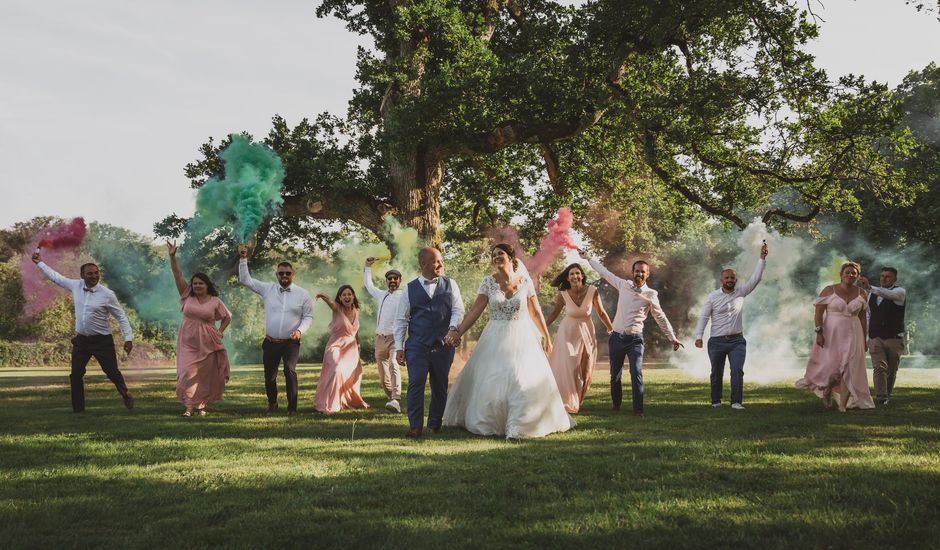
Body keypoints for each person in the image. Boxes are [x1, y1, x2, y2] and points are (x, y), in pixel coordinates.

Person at [443, 244, 575, 438]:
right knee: (492, 379)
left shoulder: (525, 281)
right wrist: (458, 332)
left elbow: (536, 312)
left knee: (520, 379)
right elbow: (474, 312)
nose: (496, 257)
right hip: (494, 336)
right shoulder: (488, 282)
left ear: (511, 257)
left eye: (500, 254)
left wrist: (546, 336)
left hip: (522, 337)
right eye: (494, 255)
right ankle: (491, 423)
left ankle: (519, 424)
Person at [579, 250, 683, 416]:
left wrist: (672, 337)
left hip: (635, 340)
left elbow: (660, 317)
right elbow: (604, 273)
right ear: (632, 272)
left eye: (643, 271)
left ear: (647, 274)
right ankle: (616, 405)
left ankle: (638, 410)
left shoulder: (651, 295)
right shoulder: (623, 285)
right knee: (615, 375)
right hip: (617, 338)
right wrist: (589, 258)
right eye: (637, 271)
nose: (639, 273)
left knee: (636, 372)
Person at [31, 251, 134, 412]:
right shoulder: (75, 285)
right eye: (90, 273)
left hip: (102, 341)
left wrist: (128, 338)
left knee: (112, 372)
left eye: (96, 273)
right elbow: (56, 277)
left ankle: (125, 393)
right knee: (76, 374)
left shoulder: (107, 295)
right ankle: (78, 410)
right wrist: (39, 263)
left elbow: (121, 317)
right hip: (81, 341)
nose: (94, 276)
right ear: (82, 275)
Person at [393, 247, 465, 438]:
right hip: (417, 344)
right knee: (415, 383)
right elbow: (401, 319)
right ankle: (415, 426)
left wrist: (452, 329)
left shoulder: (451, 284)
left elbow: (458, 310)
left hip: (443, 344)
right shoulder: (409, 288)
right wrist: (399, 347)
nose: (441, 264)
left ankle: (434, 423)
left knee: (439, 385)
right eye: (436, 261)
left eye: (441, 260)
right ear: (423, 264)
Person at [238, 244, 313, 416]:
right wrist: (243, 258)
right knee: (269, 376)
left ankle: (292, 409)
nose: (284, 275)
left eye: (288, 273)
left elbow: (308, 317)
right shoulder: (268, 289)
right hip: (271, 341)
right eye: (281, 273)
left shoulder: (303, 294)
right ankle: (273, 403)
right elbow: (245, 280)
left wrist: (300, 330)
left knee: (289, 369)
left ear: (293, 274)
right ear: (277, 274)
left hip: (291, 342)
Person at [694, 242, 768, 410]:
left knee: (737, 370)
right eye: (726, 278)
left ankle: (736, 402)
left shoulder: (741, 292)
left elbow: (756, 278)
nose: (729, 280)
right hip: (717, 342)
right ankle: (716, 401)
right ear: (721, 280)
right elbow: (704, 316)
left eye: (732, 278)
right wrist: (699, 336)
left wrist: (762, 259)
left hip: (737, 341)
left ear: (735, 280)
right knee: (716, 372)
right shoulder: (712, 297)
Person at [796, 262, 875, 411]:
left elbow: (863, 318)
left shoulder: (861, 293)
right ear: (841, 274)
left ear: (857, 276)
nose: (850, 275)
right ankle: (827, 390)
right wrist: (819, 332)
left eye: (854, 273)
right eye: (847, 272)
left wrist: (864, 339)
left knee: (849, 368)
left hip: (854, 332)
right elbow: (818, 312)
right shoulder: (829, 290)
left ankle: (843, 406)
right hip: (832, 333)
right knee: (831, 368)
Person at [167, 242, 232, 417]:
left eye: (200, 283)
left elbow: (228, 317)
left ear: (207, 285)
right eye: (194, 283)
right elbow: (177, 275)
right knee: (186, 373)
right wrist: (173, 257)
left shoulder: (215, 301)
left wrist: (220, 331)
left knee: (203, 375)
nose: (196, 286)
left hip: (208, 342)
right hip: (188, 341)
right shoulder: (187, 295)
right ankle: (189, 406)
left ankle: (200, 406)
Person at [545, 263, 613, 414]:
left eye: (577, 273)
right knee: (571, 367)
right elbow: (554, 314)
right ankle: (570, 401)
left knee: (586, 369)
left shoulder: (592, 291)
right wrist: (541, 329)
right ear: (568, 279)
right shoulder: (563, 294)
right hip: (567, 333)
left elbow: (601, 313)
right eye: (571, 274)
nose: (575, 276)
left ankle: (579, 400)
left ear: (582, 276)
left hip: (587, 331)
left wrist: (611, 329)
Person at [313, 285, 370, 414]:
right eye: (344, 295)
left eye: (349, 294)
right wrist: (323, 296)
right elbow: (331, 303)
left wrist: (358, 345)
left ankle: (346, 400)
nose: (347, 297)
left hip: (351, 349)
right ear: (340, 297)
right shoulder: (337, 309)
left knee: (351, 375)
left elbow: (356, 331)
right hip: (335, 346)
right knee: (336, 369)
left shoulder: (356, 310)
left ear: (353, 296)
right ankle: (329, 403)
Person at [858, 267, 906, 405]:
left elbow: (888, 295)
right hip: (875, 336)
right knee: (879, 367)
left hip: (894, 337)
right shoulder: (872, 295)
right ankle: (881, 397)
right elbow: (868, 315)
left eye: (888, 277)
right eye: (882, 276)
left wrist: (869, 287)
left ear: (895, 279)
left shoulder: (900, 292)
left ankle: (888, 393)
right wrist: (866, 335)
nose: (884, 278)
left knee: (891, 370)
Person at [363, 257, 404, 413]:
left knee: (394, 364)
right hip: (380, 339)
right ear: (386, 281)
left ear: (400, 280)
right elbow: (368, 285)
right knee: (382, 376)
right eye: (389, 279)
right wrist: (367, 266)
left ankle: (396, 398)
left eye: (395, 278)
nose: (392, 280)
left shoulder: (404, 296)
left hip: (396, 339)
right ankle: (392, 400)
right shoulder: (382, 295)